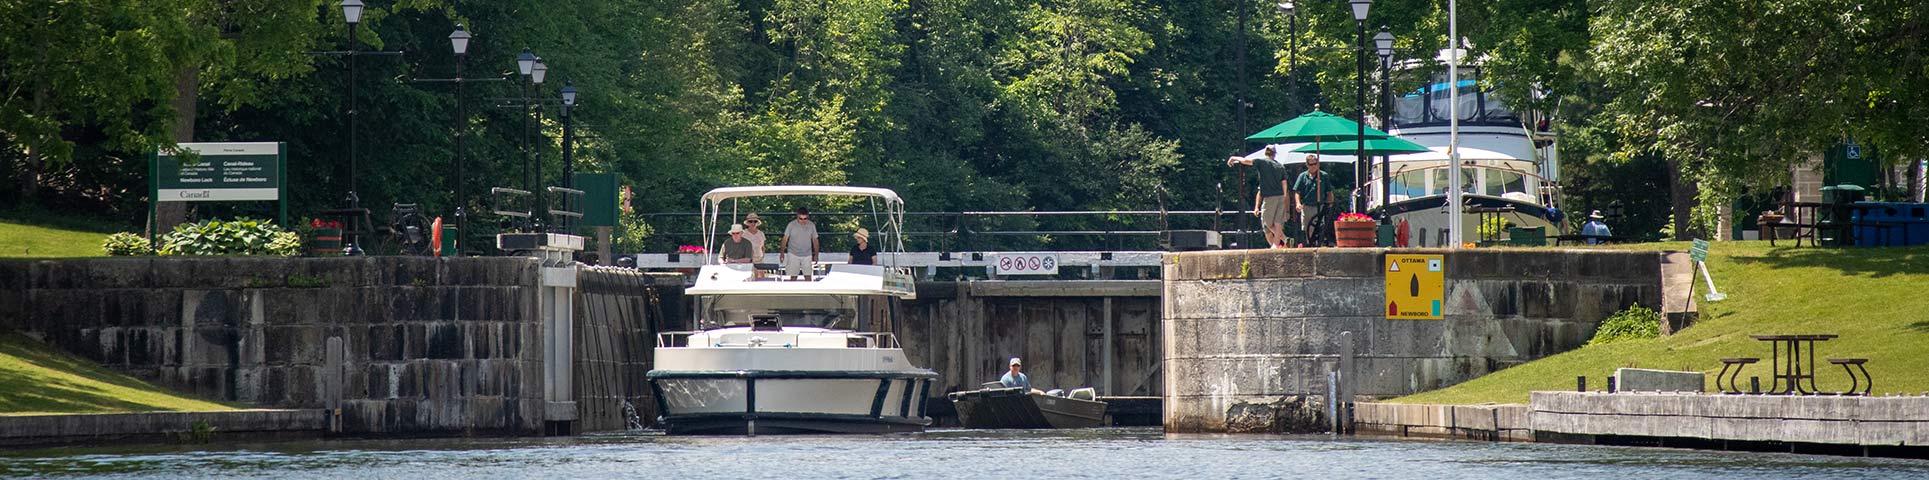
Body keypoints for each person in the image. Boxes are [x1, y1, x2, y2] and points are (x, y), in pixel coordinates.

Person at [1227, 146, 1292, 248]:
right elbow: (1284, 183)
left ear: (1265, 153)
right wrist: (1283, 196)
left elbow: (1245, 161)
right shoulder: (1280, 166)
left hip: (1269, 197)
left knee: (1266, 222)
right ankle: (1278, 243)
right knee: (1278, 222)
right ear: (1274, 154)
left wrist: (1234, 158)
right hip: (1280, 196)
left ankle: (1283, 240)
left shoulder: (1261, 162)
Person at [1292, 154, 1337, 247]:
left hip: (1319, 206)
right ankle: (1309, 244)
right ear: (1307, 165)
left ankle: (1318, 244)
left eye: (1315, 164)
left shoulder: (1323, 176)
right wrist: (1298, 203)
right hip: (1306, 206)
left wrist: (1330, 205)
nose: (1313, 166)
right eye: (1311, 164)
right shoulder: (1302, 176)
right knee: (1306, 227)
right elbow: (1297, 192)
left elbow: (1329, 192)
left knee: (1319, 226)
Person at [779, 206, 819, 276]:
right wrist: (782, 253)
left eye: (805, 219)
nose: (803, 221)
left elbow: (815, 240)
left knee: (808, 276)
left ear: (808, 217)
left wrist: (816, 254)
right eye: (801, 219)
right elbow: (785, 239)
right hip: (793, 253)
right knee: (793, 276)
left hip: (807, 254)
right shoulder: (791, 225)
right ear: (797, 216)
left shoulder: (811, 225)